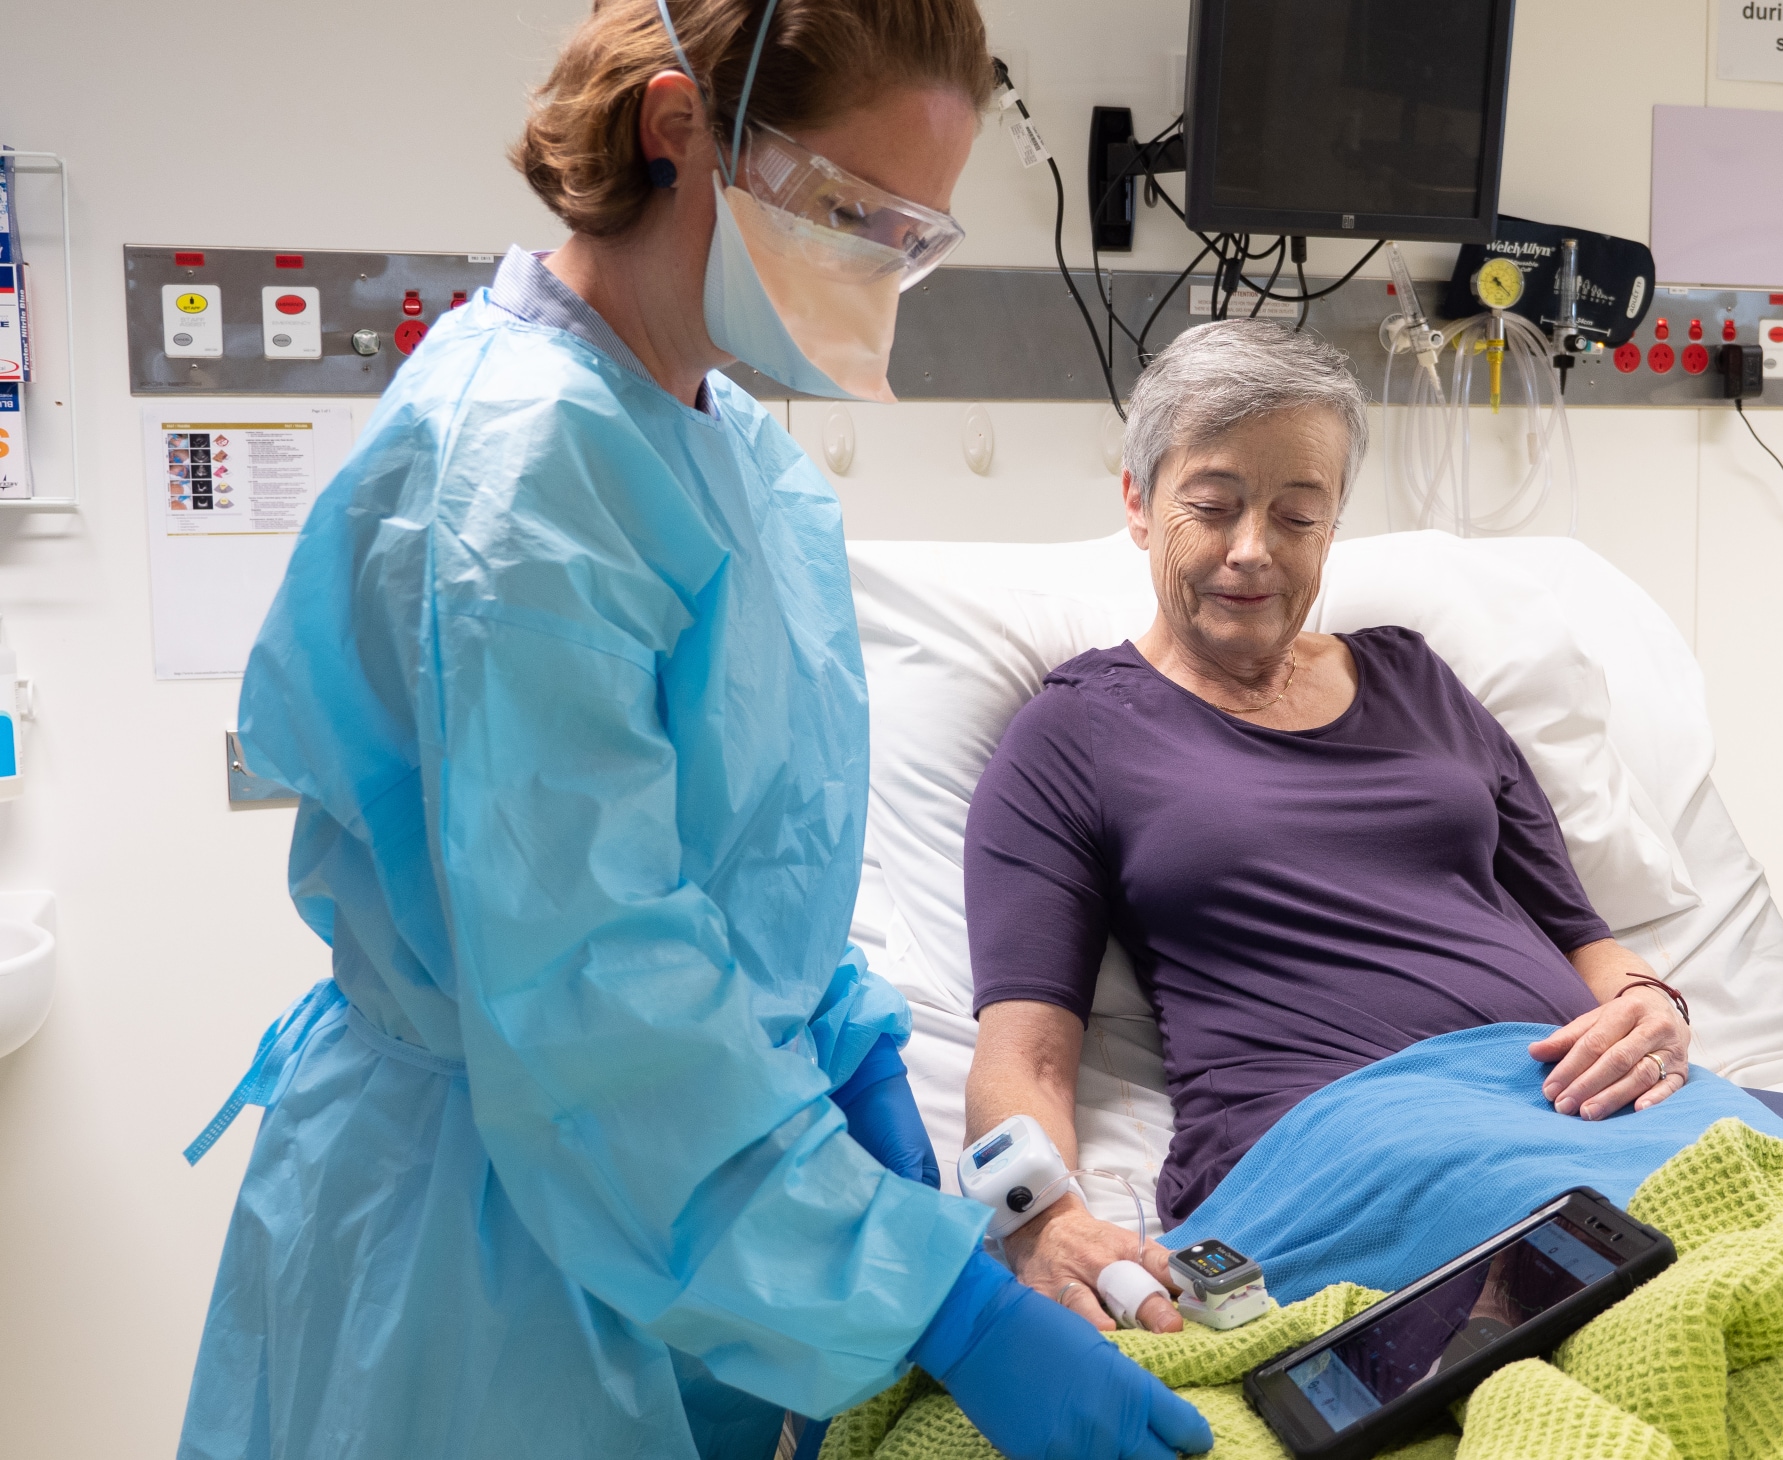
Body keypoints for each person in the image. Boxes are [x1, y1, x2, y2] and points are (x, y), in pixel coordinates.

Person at [175, 4, 1210, 1459]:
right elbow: (596, 999)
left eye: (916, 233)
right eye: (856, 211)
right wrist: (944, 1312)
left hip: (689, 1190)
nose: (882, 267)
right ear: (678, 132)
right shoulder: (523, 474)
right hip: (488, 1252)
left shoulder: (730, 456)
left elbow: (761, 870)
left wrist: (861, 1083)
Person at [963, 319, 1695, 1333]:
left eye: (1297, 514)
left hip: (1591, 1102)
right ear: (1138, 502)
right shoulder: (1075, 734)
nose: (1251, 551)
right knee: (1639, 1315)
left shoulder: (1418, 680)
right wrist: (1038, 1216)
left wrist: (1656, 1009)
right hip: (1352, 1140)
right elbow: (1025, 1056)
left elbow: (1583, 934)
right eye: (1212, 507)